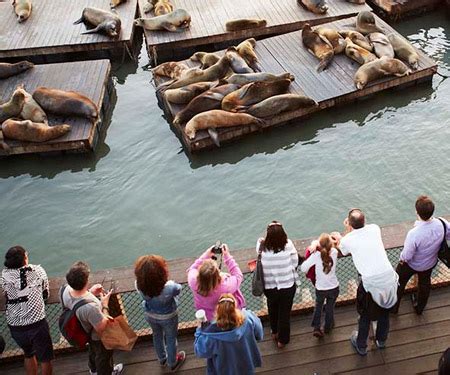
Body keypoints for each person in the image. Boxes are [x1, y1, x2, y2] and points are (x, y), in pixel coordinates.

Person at [340, 209, 398, 356]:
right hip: (389, 278)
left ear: (350, 223)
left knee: (365, 315)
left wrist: (347, 230)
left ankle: (361, 346)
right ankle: (382, 340)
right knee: (384, 311)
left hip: (370, 284)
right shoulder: (374, 228)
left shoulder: (348, 239)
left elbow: (344, 249)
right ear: (364, 221)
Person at [61, 261, 123, 375]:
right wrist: (104, 304)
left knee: (92, 351)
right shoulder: (91, 307)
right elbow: (101, 327)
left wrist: (89, 292)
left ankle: (93, 370)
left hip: (84, 331)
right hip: (96, 336)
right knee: (103, 356)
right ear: (86, 281)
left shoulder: (64, 290)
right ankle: (106, 372)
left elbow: (76, 302)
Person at [1, 246, 54, 375]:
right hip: (37, 323)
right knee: (45, 359)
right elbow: (45, 294)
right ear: (25, 258)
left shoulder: (3, 276)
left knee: (28, 354)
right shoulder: (38, 271)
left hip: (16, 326)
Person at [394, 196, 450, 315]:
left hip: (411, 264)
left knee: (398, 283)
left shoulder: (414, 233)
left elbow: (407, 256)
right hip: (430, 262)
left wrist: (401, 259)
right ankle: (419, 308)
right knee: (424, 285)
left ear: (416, 212)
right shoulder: (442, 223)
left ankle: (394, 308)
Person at [134, 255, 186, 372]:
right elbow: (179, 288)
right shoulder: (170, 287)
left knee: (157, 335)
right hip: (168, 317)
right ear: (162, 272)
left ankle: (162, 359)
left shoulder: (139, 285)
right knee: (171, 338)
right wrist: (170, 282)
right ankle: (173, 362)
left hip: (150, 315)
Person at [194, 293, 263, 374]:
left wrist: (199, 330)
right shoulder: (249, 318)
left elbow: (200, 351)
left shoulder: (212, 336)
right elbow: (259, 335)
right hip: (247, 364)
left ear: (218, 310)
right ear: (235, 306)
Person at [257, 221, 298, 348]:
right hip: (287, 285)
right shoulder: (288, 244)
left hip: (270, 287)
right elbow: (295, 262)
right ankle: (282, 341)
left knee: (272, 307)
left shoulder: (261, 246)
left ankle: (274, 332)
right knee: (284, 314)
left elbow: (260, 245)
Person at [187, 244, 245, 321]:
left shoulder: (193, 281)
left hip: (207, 316)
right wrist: (227, 256)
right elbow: (238, 276)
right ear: (217, 275)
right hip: (227, 315)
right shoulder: (226, 287)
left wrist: (206, 255)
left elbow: (192, 268)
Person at [300, 233, 340, 337]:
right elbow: (330, 245)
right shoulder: (335, 252)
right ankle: (327, 327)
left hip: (320, 288)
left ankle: (317, 327)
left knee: (318, 307)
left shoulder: (316, 256)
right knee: (330, 308)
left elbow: (303, 268)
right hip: (334, 287)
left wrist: (313, 245)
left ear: (320, 246)